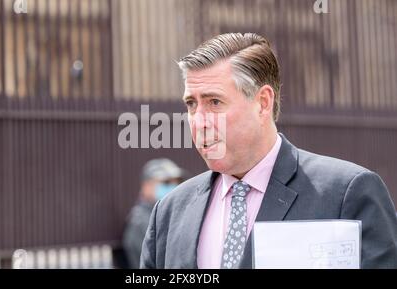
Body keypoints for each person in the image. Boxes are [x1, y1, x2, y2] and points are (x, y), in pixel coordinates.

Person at [140, 33, 397, 269]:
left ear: (263, 102)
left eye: (214, 102)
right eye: (191, 104)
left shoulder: (346, 194)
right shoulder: (169, 212)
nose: (199, 120)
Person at [122, 158, 186, 269]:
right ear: (146, 187)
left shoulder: (170, 214)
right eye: (166, 182)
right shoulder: (141, 221)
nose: (173, 186)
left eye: (176, 182)